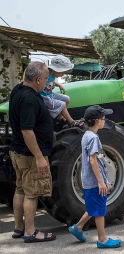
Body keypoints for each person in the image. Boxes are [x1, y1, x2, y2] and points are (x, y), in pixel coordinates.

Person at [9, 61, 56, 243]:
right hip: (30, 155)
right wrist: (39, 157)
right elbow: (27, 130)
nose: (46, 82)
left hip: (18, 151)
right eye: (45, 79)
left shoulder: (18, 90)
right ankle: (30, 232)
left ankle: (18, 228)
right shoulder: (29, 99)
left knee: (20, 189)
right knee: (32, 193)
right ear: (37, 79)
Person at [68, 105, 121, 248]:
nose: (105, 120)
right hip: (95, 181)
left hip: (88, 180)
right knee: (99, 211)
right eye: (104, 118)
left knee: (94, 207)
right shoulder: (94, 138)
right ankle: (102, 239)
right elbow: (93, 160)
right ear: (98, 121)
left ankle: (77, 227)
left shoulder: (86, 135)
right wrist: (101, 181)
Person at [40, 55, 83, 128]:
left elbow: (51, 82)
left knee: (67, 99)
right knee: (62, 104)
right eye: (62, 72)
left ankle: (60, 118)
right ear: (55, 69)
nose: (63, 75)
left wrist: (58, 85)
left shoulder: (52, 75)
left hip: (49, 94)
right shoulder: (45, 74)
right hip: (44, 97)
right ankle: (72, 122)